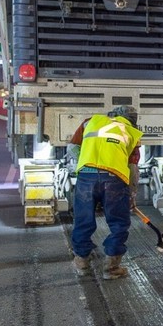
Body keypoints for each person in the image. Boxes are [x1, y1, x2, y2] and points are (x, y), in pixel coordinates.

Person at [69, 104, 142, 279]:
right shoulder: (131, 132)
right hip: (114, 180)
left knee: (83, 220)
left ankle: (82, 262)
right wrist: (132, 194)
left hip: (86, 177)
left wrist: (86, 162)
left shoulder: (90, 122)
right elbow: (132, 167)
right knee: (118, 223)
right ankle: (111, 268)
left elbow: (72, 148)